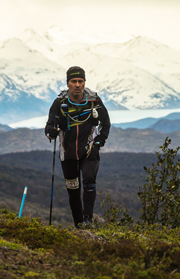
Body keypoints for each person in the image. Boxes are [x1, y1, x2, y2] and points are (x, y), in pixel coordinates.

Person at [45, 66, 110, 228]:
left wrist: (97, 143)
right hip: (67, 153)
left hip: (89, 151)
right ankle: (79, 225)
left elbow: (106, 123)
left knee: (89, 180)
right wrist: (51, 132)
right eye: (73, 81)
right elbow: (49, 127)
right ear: (68, 83)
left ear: (84, 82)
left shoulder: (94, 100)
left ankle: (87, 221)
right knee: (73, 189)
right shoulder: (59, 102)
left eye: (80, 81)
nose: (77, 84)